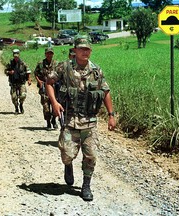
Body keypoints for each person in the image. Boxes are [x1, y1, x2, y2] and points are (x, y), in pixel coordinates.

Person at [45, 35, 116, 201]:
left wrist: (111, 115)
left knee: (91, 155)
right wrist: (54, 103)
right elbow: (48, 82)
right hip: (69, 120)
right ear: (75, 50)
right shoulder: (64, 67)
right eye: (81, 49)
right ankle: (68, 165)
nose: (85, 52)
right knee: (66, 154)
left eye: (87, 49)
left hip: (89, 122)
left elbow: (106, 92)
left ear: (90, 51)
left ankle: (86, 185)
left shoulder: (97, 71)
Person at [34, 47, 58, 130]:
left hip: (54, 88)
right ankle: (48, 122)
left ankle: (54, 120)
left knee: (55, 105)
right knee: (46, 107)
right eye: (48, 53)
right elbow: (35, 73)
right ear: (45, 54)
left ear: (53, 54)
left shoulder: (56, 64)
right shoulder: (41, 64)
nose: (49, 55)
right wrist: (39, 81)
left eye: (51, 53)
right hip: (44, 88)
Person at [5, 49, 32, 114]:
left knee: (23, 95)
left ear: (19, 55)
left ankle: (21, 104)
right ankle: (16, 108)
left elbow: (28, 71)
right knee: (14, 97)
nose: (16, 57)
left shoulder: (23, 63)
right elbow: (5, 71)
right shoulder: (10, 63)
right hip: (13, 83)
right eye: (15, 56)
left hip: (21, 82)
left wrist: (29, 79)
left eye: (17, 56)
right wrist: (9, 72)